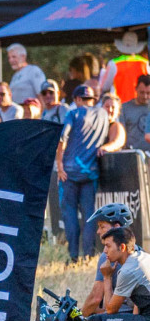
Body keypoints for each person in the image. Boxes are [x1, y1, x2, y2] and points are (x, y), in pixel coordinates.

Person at [57, 85, 108, 261]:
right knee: (89, 215)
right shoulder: (103, 114)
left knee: (70, 213)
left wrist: (59, 165)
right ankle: (88, 255)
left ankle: (73, 255)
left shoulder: (73, 113)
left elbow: (62, 137)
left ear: (78, 99)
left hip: (69, 172)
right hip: (91, 172)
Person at [82, 203, 137, 317]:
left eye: (102, 227)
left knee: (92, 320)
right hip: (138, 314)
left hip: (124, 315)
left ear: (116, 227)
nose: (98, 231)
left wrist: (80, 315)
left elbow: (95, 298)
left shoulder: (108, 256)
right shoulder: (138, 250)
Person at [99, 32, 150, 103]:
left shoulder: (114, 63)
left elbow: (105, 86)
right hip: (140, 103)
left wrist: (102, 72)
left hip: (120, 104)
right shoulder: (145, 63)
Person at [121, 74, 150, 152]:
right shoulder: (124, 108)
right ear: (136, 89)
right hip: (133, 153)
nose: (145, 96)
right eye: (142, 92)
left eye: (148, 93)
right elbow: (121, 133)